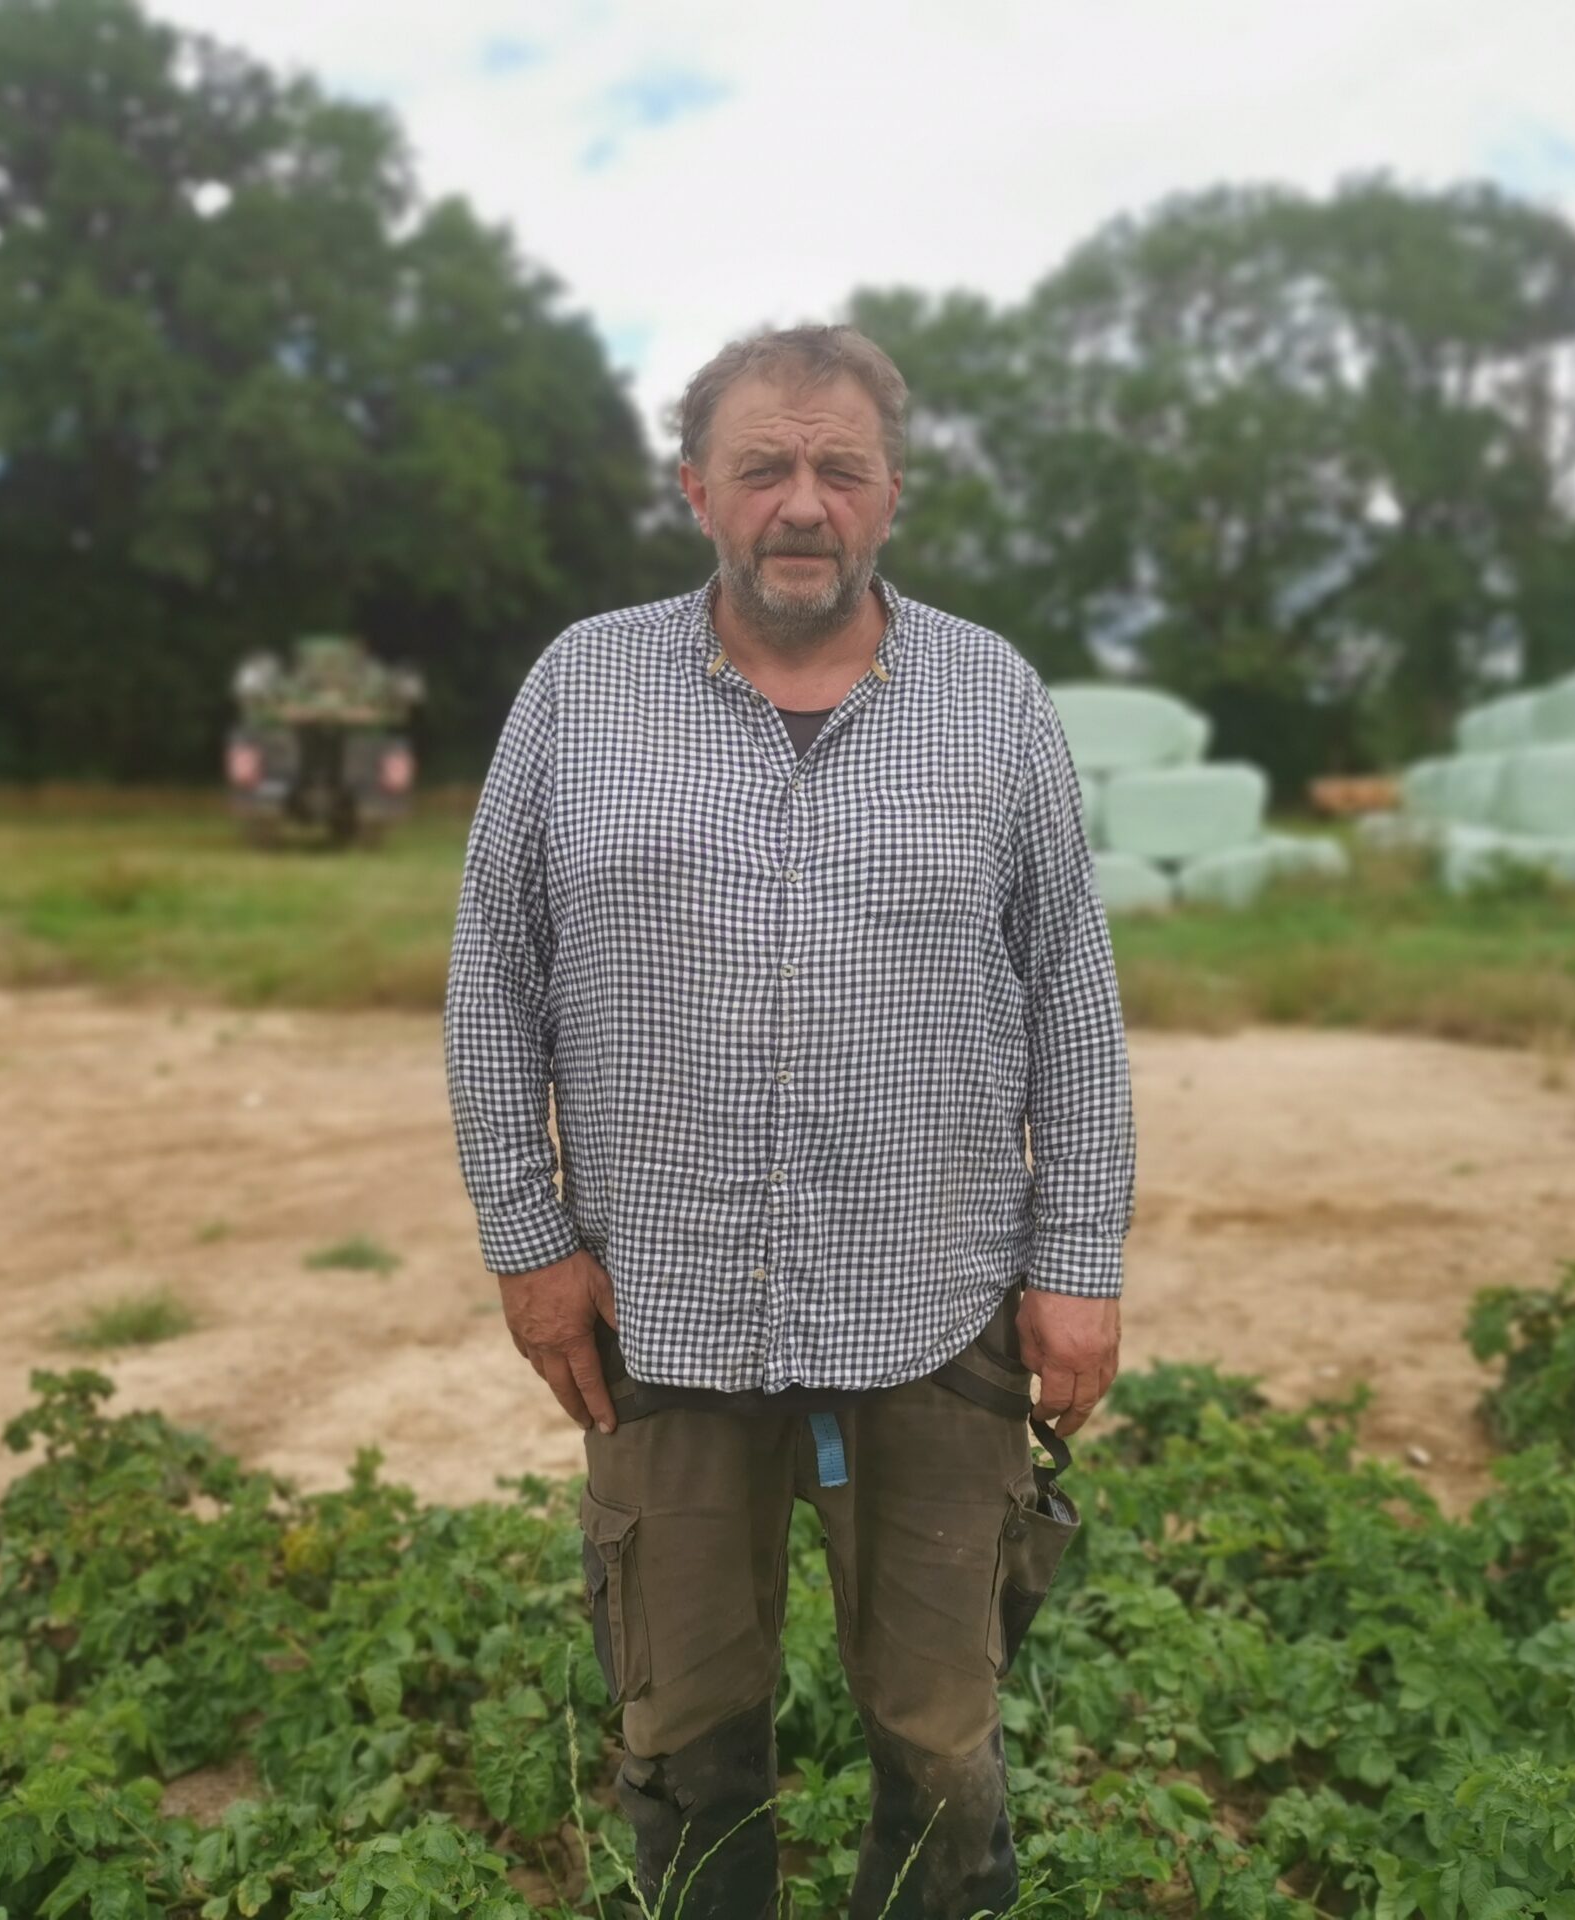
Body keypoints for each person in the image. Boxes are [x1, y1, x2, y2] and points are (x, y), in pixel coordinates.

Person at [443, 323, 1135, 1920]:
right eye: (765, 466)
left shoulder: (993, 698)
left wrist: (1077, 1258)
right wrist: (529, 1242)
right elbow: (494, 983)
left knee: (942, 1732)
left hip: (937, 1309)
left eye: (839, 469)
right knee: (684, 1735)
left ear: (892, 493)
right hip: (661, 1315)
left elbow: (1074, 1006)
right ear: (699, 490)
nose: (802, 503)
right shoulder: (579, 689)